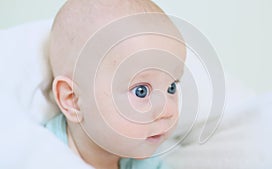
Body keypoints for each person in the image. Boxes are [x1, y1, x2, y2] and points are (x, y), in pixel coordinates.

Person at [46, 0, 186, 168]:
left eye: (171, 87)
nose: (168, 111)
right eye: (141, 91)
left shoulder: (146, 162)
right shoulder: (42, 154)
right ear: (73, 100)